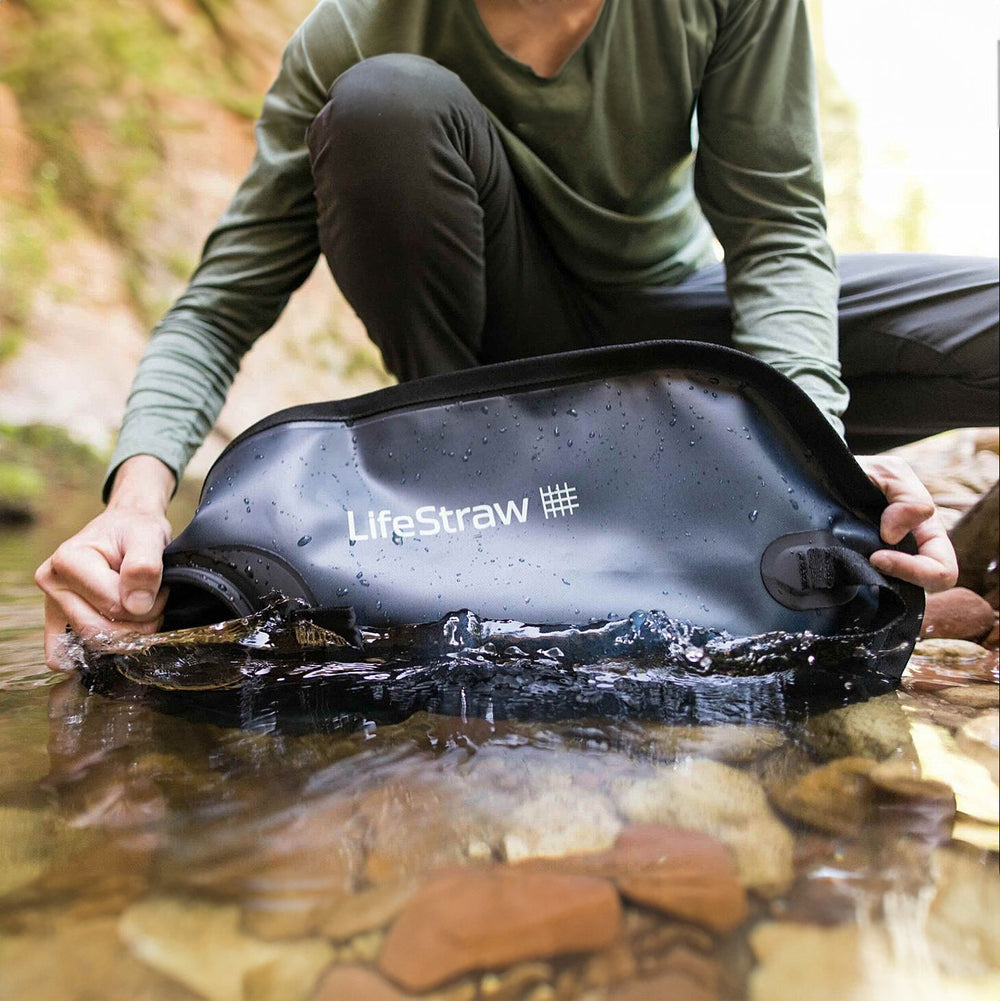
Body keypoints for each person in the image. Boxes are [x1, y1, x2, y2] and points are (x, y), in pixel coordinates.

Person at [36, 0, 997, 670]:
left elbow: (777, 230)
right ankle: (462, 514)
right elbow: (220, 302)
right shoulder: (356, 27)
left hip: (676, 344)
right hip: (486, 378)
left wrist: (816, 461)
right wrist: (133, 504)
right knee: (384, 104)